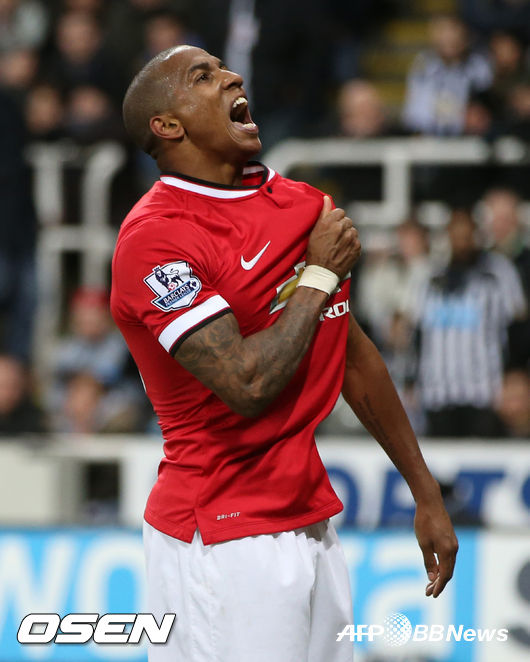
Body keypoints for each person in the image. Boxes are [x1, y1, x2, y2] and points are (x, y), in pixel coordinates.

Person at [111, 45, 458, 662]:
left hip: (310, 523)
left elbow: (351, 356)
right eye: (204, 76)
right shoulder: (156, 240)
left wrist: (425, 492)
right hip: (220, 536)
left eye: (224, 67)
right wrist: (318, 276)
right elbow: (247, 385)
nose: (232, 77)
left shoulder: (302, 206)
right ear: (168, 126)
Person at [412, 208, 526, 438]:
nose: (461, 242)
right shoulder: (431, 279)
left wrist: (514, 375)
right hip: (437, 394)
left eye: (466, 235)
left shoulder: (496, 273)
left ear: (477, 235)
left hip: (483, 392)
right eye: (456, 235)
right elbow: (419, 333)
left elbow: (517, 327)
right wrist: (412, 382)